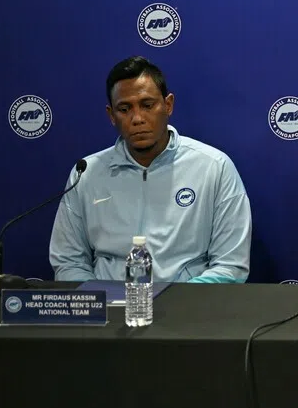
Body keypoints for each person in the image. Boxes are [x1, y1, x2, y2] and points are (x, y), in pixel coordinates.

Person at [49, 56, 252, 283]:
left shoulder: (214, 167)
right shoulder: (85, 174)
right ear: (111, 115)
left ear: (168, 105)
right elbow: (68, 261)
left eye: (147, 105)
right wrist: (100, 302)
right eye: (124, 109)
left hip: (188, 311)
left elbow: (230, 266)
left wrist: (174, 304)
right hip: (109, 309)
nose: (137, 118)